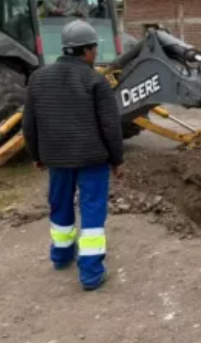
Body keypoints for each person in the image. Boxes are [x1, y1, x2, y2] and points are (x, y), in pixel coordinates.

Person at [23, 20, 124, 291]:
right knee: (92, 212)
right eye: (94, 49)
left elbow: (29, 123)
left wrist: (36, 154)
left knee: (60, 205)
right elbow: (110, 126)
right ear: (88, 50)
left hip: (56, 158)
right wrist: (117, 159)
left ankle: (61, 255)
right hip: (93, 159)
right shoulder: (95, 80)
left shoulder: (38, 78)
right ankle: (90, 274)